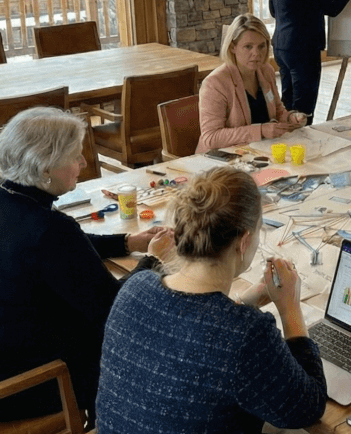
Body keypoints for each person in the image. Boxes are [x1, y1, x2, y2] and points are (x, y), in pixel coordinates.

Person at [0, 107, 171, 424]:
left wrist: (126, 243)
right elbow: (116, 309)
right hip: (19, 387)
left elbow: (57, 247)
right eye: (75, 157)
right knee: (152, 346)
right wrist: (155, 259)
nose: (83, 163)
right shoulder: (50, 230)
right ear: (45, 167)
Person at [97, 165, 327, 434]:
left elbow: (195, 327)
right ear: (244, 242)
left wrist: (247, 300)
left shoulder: (136, 288)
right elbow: (307, 407)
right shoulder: (246, 334)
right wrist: (290, 309)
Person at [197, 13, 306, 152]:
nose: (256, 53)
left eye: (261, 46)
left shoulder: (266, 70)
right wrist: (260, 131)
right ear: (232, 47)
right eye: (248, 46)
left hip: (260, 152)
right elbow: (211, 138)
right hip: (221, 162)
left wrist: (291, 118)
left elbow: (278, 112)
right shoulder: (214, 83)